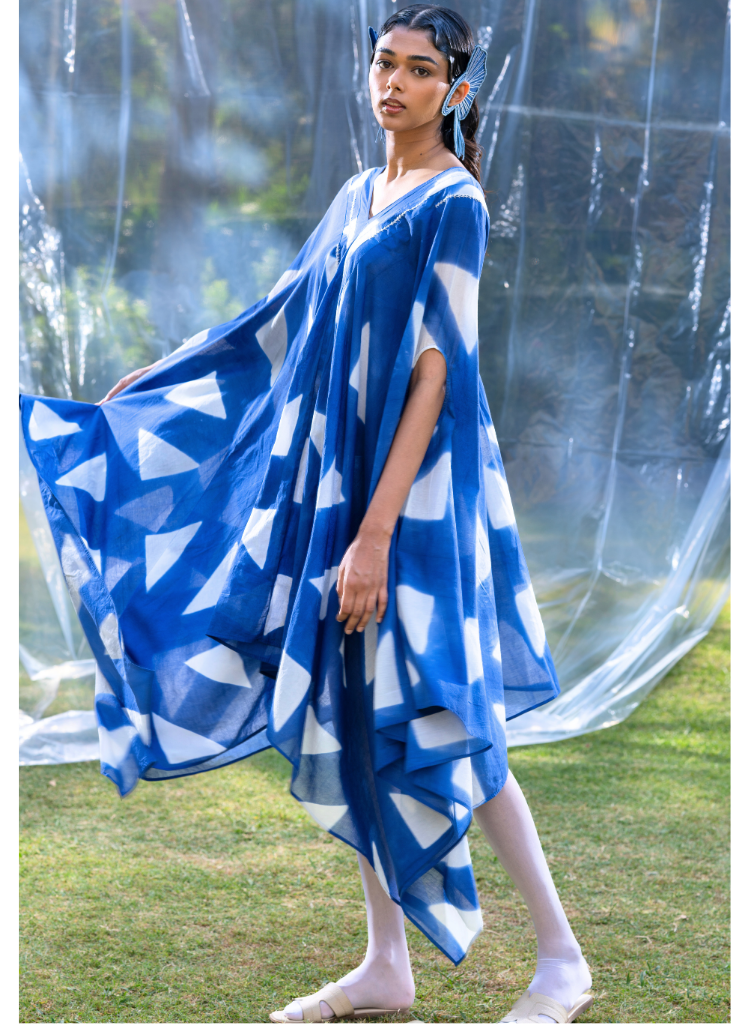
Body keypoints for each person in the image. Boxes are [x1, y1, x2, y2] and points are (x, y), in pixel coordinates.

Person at [19, 6, 594, 1023]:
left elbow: (438, 370)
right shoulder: (360, 193)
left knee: (445, 708)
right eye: (385, 62)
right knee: (354, 700)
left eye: (421, 70)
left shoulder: (455, 204)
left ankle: (561, 958)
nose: (395, 83)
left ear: (456, 91)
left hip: (418, 495)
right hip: (343, 476)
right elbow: (286, 311)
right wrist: (167, 375)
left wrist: (375, 534)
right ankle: (385, 963)